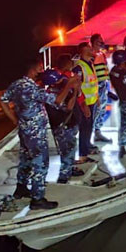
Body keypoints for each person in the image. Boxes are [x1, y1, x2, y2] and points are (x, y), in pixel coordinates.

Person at [0, 60, 79, 209]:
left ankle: (21, 188)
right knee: (40, 163)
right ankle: (37, 199)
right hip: (35, 133)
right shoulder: (31, 88)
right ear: (33, 69)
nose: (41, 69)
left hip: (24, 130)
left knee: (26, 159)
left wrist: (14, 120)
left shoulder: (16, 84)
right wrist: (69, 85)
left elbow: (2, 101)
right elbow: (56, 101)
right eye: (40, 67)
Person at [42, 55, 84, 183]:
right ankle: (64, 176)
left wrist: (74, 87)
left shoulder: (60, 89)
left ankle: (70, 168)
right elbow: (69, 106)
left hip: (69, 125)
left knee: (71, 148)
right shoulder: (51, 95)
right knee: (66, 152)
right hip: (63, 127)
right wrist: (74, 90)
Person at [73, 42, 99, 159]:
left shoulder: (90, 64)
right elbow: (78, 88)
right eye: (88, 48)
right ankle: (83, 153)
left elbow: (93, 83)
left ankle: (87, 147)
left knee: (89, 126)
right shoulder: (79, 67)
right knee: (84, 127)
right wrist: (84, 105)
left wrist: (97, 97)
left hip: (92, 101)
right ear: (83, 51)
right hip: (84, 104)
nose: (91, 49)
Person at [90, 33, 112, 143]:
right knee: (95, 109)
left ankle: (97, 132)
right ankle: (90, 135)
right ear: (93, 42)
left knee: (102, 109)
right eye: (99, 41)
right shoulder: (91, 54)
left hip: (103, 84)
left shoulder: (102, 54)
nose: (102, 43)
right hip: (95, 86)